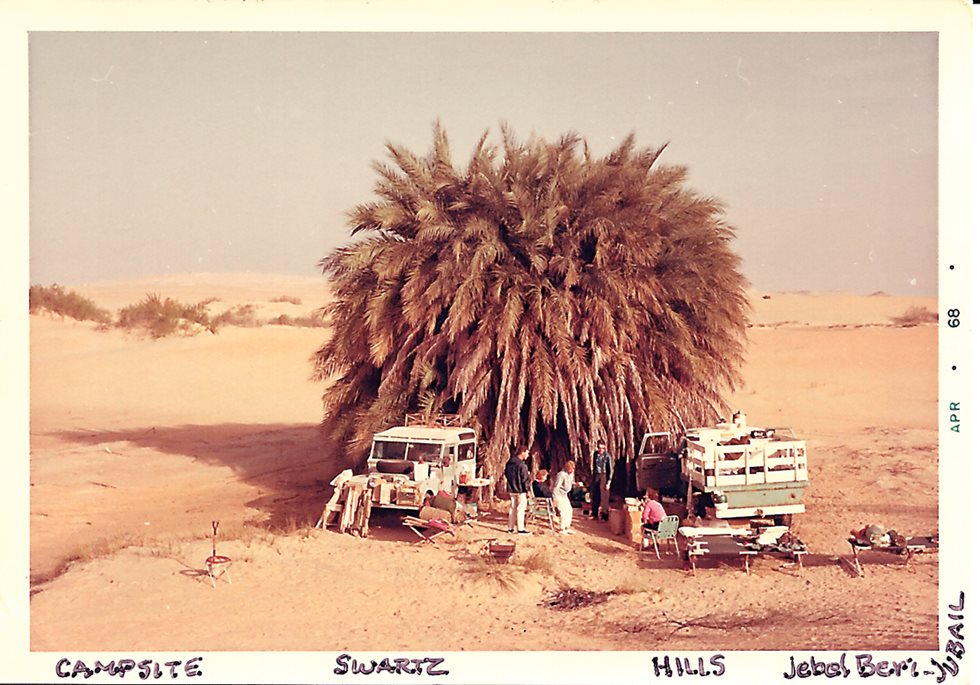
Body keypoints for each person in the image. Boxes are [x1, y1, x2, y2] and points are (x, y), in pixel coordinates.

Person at [505, 447, 533, 534]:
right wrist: (527, 490)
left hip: (512, 489)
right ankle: (521, 529)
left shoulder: (509, 463)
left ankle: (510, 528)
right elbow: (524, 479)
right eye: (527, 453)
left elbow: (506, 474)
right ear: (522, 452)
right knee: (521, 509)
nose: (528, 455)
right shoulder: (522, 465)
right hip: (521, 490)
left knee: (512, 508)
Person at [590, 440, 613, 520]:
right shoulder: (595, 454)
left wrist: (608, 482)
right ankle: (594, 513)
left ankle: (605, 515)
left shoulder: (607, 456)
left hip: (604, 475)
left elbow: (610, 469)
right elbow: (593, 465)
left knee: (604, 496)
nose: (601, 450)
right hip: (596, 475)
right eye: (600, 448)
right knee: (595, 494)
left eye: (603, 448)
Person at [552, 460, 576, 534]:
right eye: (570, 468)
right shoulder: (561, 474)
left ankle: (567, 526)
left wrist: (576, 484)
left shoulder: (571, 474)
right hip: (559, 494)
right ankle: (562, 528)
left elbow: (571, 482)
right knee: (563, 511)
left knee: (569, 510)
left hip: (565, 494)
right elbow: (556, 486)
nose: (572, 470)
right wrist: (554, 497)